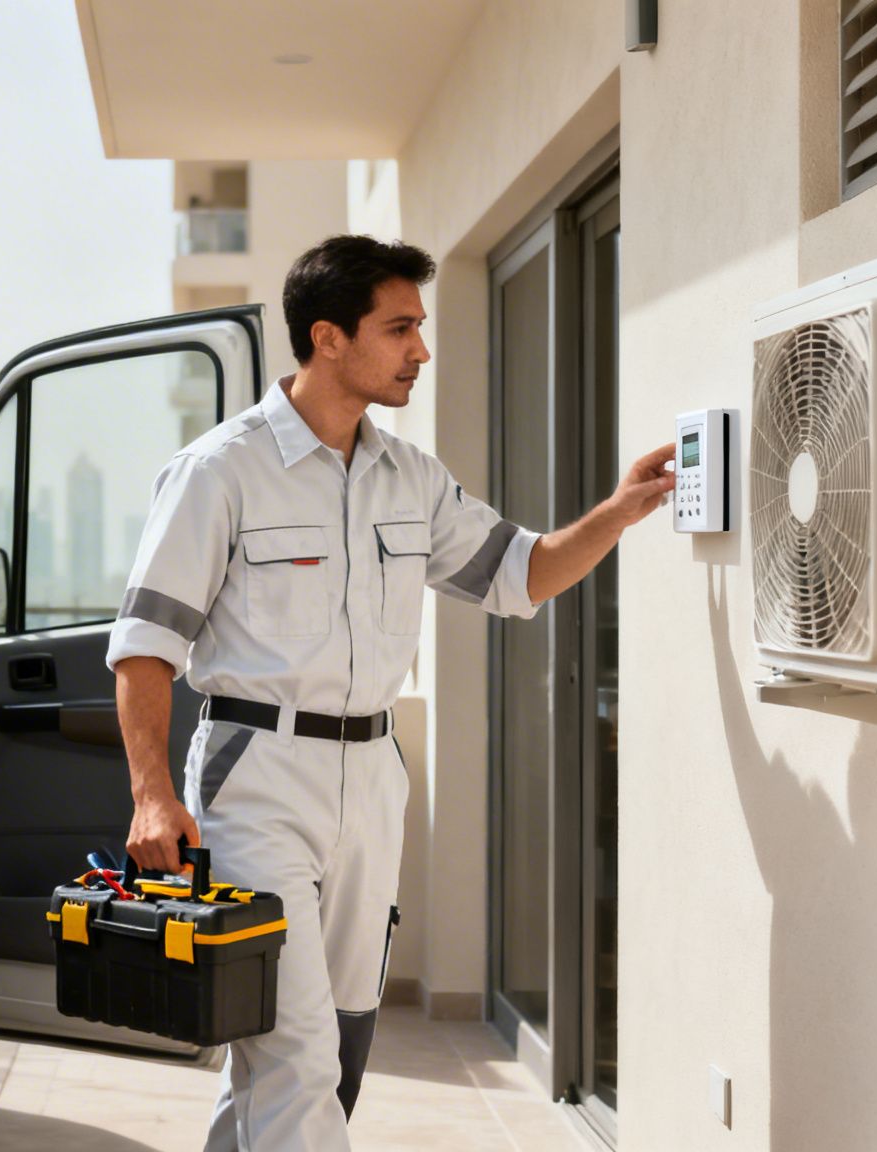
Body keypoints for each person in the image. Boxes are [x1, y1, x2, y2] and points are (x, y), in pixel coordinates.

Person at [106, 234, 674, 1150]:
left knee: (331, 1042)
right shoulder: (220, 471)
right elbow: (144, 645)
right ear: (328, 338)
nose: (421, 349)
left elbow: (521, 574)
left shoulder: (411, 478)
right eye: (400, 327)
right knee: (293, 1053)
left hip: (373, 778)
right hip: (258, 780)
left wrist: (618, 511)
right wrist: (151, 791)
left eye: (420, 326)